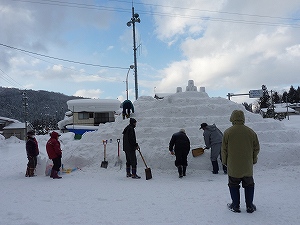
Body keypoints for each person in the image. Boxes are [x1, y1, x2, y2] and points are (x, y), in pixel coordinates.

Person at [221, 110, 260, 213]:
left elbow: (224, 149)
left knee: (233, 184)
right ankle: (250, 206)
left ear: (232, 118)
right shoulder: (250, 132)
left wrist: (225, 162)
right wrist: (253, 159)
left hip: (233, 165)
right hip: (247, 165)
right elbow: (256, 148)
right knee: (249, 185)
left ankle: (235, 205)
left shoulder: (228, 132)